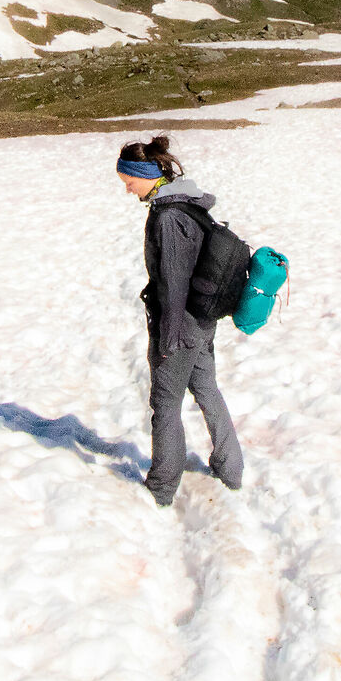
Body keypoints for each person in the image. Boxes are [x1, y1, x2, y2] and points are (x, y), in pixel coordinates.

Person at [117, 136, 245, 508]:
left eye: (129, 180)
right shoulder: (187, 204)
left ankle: (161, 487)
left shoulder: (168, 217)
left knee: (165, 403)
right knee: (206, 388)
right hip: (203, 318)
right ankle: (230, 468)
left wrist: (169, 334)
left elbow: (174, 281)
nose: (127, 189)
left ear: (146, 175)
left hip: (181, 324)